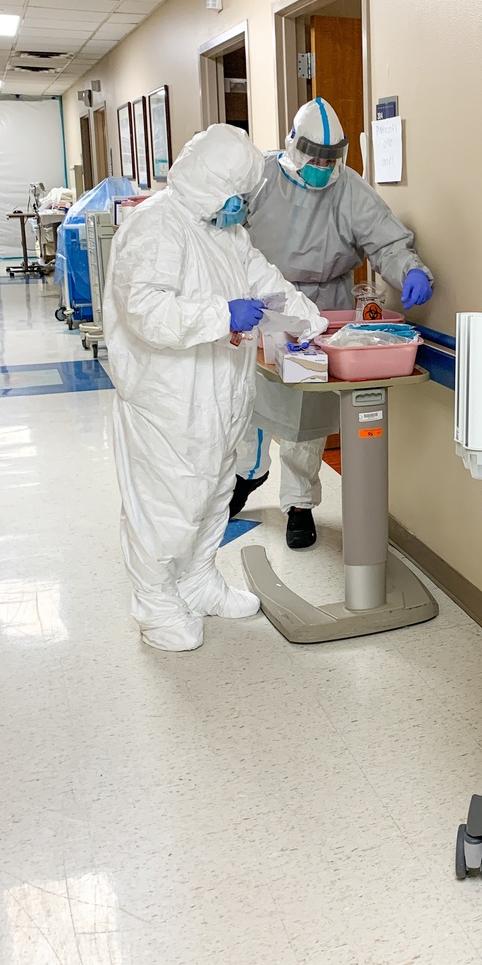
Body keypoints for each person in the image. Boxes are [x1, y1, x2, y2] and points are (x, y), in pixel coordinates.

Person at [103, 124, 325, 652]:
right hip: (168, 398)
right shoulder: (155, 226)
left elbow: (267, 284)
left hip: (223, 395)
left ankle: (200, 582)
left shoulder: (224, 232)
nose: (242, 207)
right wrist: (220, 313)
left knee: (214, 493)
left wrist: (306, 323)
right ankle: (156, 605)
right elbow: (144, 311)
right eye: (238, 196)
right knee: (169, 503)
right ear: (210, 183)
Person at [231, 97, 434, 548]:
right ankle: (246, 476)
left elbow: (386, 239)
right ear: (293, 147)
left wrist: (410, 270)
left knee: (310, 413)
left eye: (331, 158)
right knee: (253, 403)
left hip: (324, 309)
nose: (323, 166)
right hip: (264, 302)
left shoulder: (350, 189)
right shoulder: (259, 177)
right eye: (315, 157)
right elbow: (225, 228)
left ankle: (299, 504)